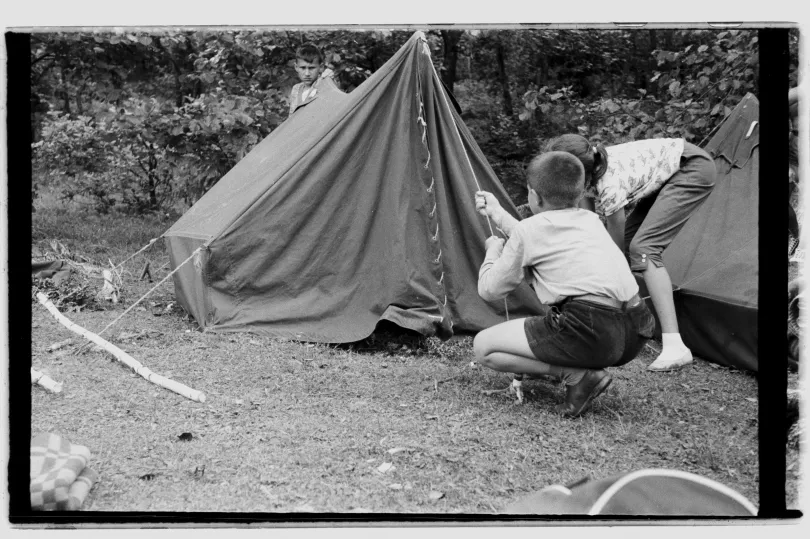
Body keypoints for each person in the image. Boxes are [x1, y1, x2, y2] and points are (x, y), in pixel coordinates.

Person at [473, 151, 655, 417]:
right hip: (636, 329)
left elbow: (490, 289)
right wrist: (497, 213)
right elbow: (537, 236)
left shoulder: (530, 231)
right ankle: (581, 372)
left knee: (484, 347)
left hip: (591, 328)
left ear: (534, 195)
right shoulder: (590, 220)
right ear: (579, 193)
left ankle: (576, 375)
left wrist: (492, 251)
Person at [545, 134, 716, 372]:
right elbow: (589, 224)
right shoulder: (587, 169)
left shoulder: (610, 184)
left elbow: (615, 249)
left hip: (692, 167)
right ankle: (616, 325)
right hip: (669, 172)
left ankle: (675, 345)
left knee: (642, 249)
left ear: (578, 172)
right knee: (625, 247)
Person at [288, 43, 336, 116]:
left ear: (321, 67)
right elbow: (291, 117)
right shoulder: (296, 89)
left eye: (311, 68)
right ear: (296, 67)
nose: (307, 73)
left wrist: (329, 79)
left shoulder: (324, 84)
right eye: (303, 68)